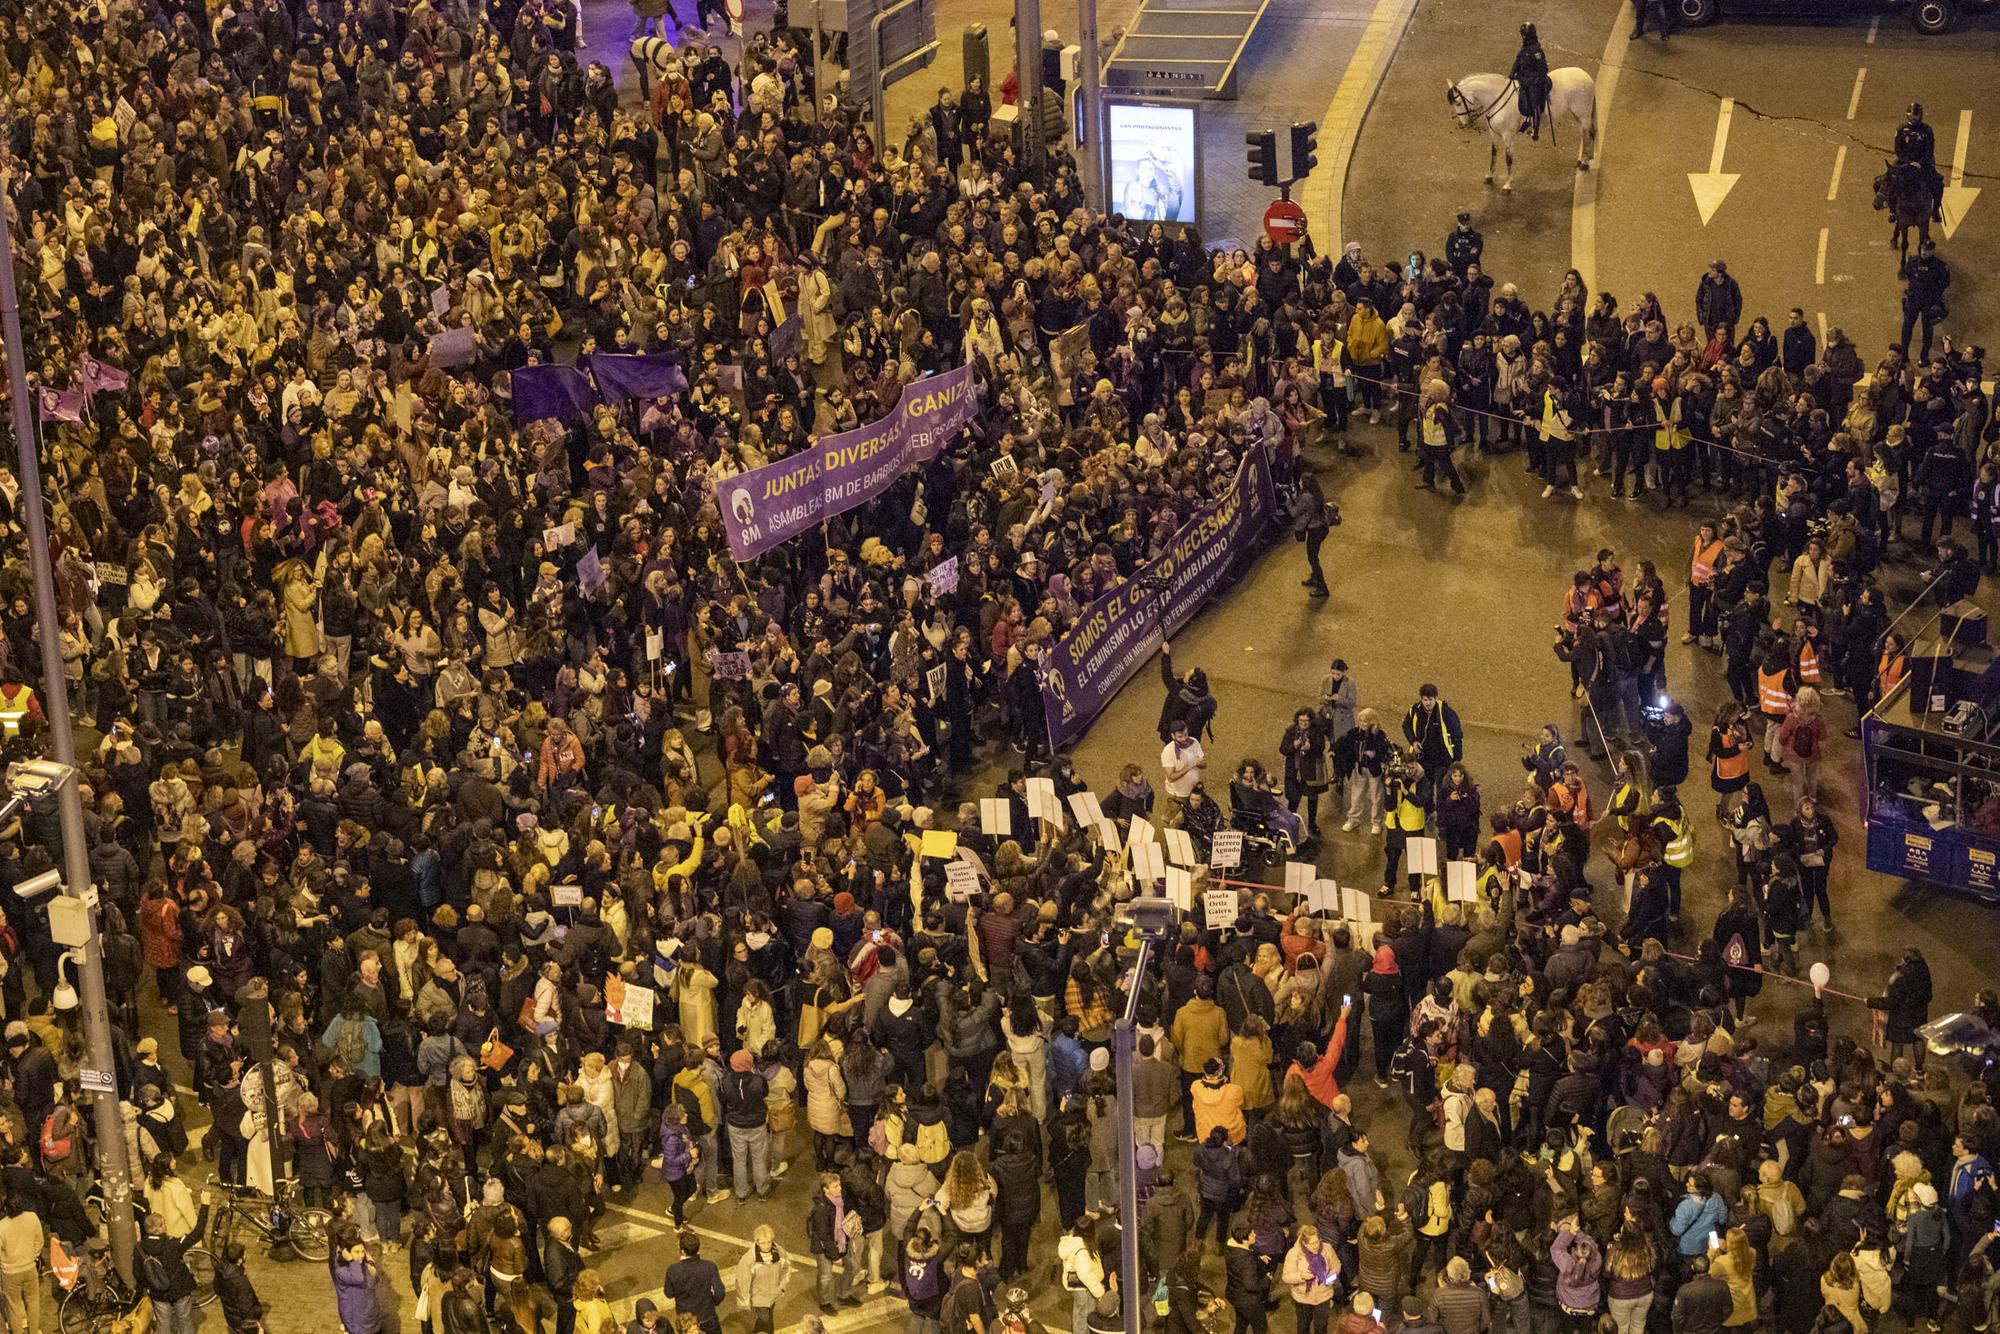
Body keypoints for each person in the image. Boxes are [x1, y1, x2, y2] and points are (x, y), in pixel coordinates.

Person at [733, 1225, 794, 1334]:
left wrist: (782, 1287)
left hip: (774, 1294)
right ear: (757, 1242)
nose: (766, 1246)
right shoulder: (748, 1260)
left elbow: (787, 1268)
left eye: (769, 1242)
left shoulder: (779, 1252)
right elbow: (742, 1282)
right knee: (767, 1321)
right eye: (763, 1243)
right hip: (759, 1297)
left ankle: (757, 1331)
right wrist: (744, 1302)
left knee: (767, 1317)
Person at [1510, 23, 1553, 140]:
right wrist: (1512, 72)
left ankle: (1535, 129)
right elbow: (1518, 61)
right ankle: (1525, 119)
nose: (1523, 37)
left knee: (1534, 101)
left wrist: (1535, 81)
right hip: (1523, 78)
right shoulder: (1524, 48)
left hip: (1534, 80)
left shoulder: (1536, 51)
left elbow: (1543, 68)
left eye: (1524, 35)